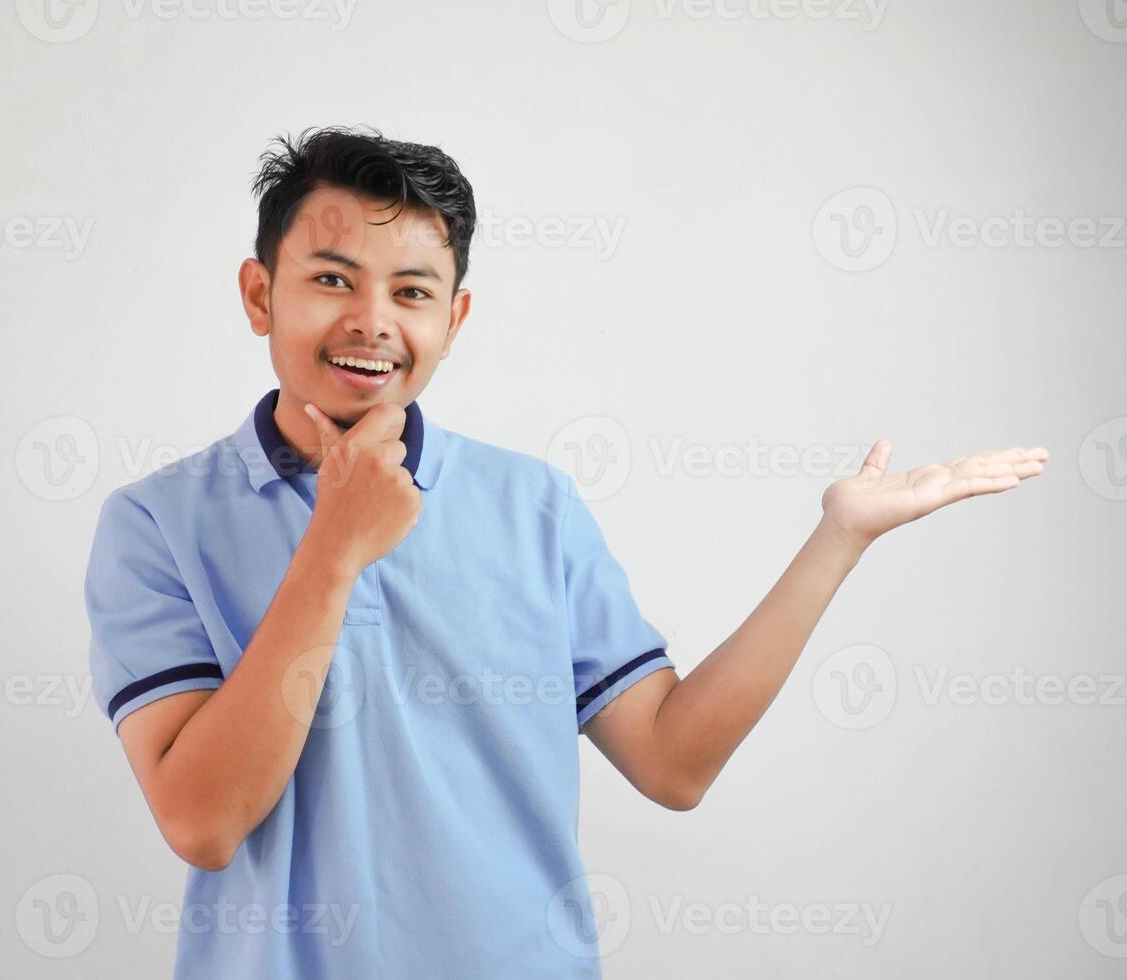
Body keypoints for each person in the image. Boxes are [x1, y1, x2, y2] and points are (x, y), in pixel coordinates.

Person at [83, 125, 1049, 978]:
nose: (371, 320)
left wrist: (837, 540)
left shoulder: (532, 506)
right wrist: (333, 547)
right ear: (260, 295)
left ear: (452, 322)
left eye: (411, 291)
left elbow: (674, 763)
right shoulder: (158, 523)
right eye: (331, 278)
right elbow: (202, 823)